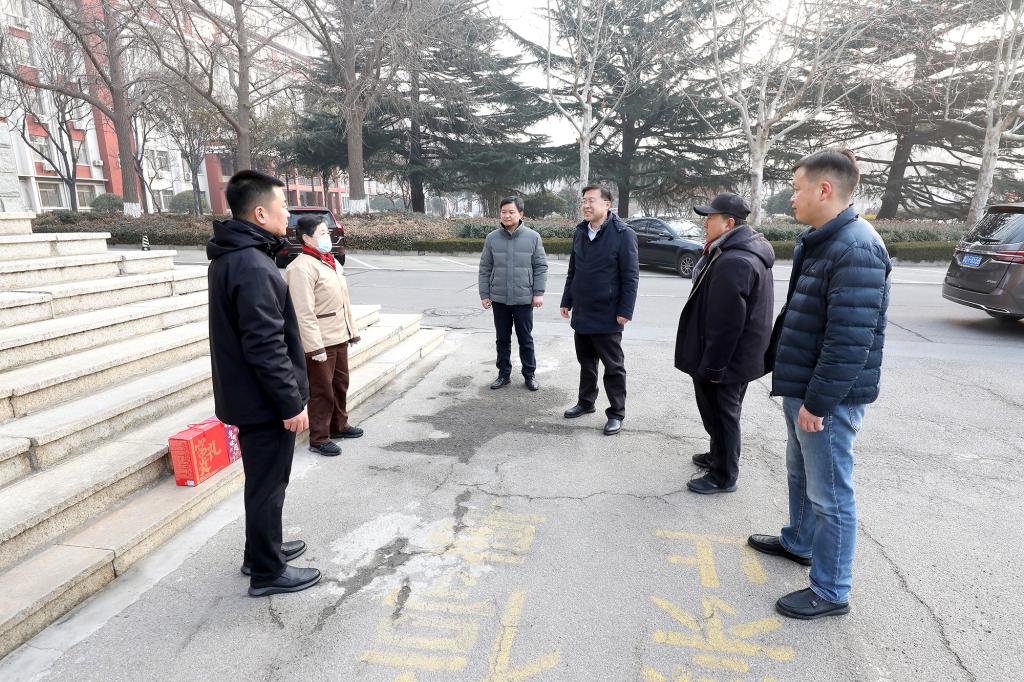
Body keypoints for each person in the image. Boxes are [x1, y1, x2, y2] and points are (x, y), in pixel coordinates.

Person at [748, 149, 891, 620]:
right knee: (801, 473)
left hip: (825, 397)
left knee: (830, 493)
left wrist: (819, 402)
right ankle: (799, 541)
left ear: (824, 189)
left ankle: (831, 590)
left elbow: (849, 341)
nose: (791, 197)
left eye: (796, 188)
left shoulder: (856, 248)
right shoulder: (824, 240)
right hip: (805, 388)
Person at [207, 170, 320, 597]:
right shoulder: (252, 265)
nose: (288, 215)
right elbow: (265, 346)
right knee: (269, 486)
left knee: (263, 483)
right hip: (264, 402)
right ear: (259, 213)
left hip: (250, 396)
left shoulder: (235, 255)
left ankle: (260, 553)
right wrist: (290, 403)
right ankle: (268, 572)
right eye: (283, 207)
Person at [675, 192, 774, 495]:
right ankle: (717, 454)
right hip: (736, 356)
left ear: (729, 223)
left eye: (710, 218)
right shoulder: (734, 251)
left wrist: (714, 368)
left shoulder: (734, 261)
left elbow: (727, 323)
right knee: (722, 413)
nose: (705, 223)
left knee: (722, 414)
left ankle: (724, 475)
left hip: (726, 360)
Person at [559, 184, 639, 435]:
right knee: (586, 362)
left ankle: (616, 413)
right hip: (583, 310)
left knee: (613, 366)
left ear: (607, 204)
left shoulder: (623, 234)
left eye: (591, 200)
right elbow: (574, 270)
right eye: (584, 200)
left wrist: (625, 310)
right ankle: (586, 402)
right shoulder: (580, 232)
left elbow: (630, 276)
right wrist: (566, 300)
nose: (586, 205)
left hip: (608, 313)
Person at [284, 216, 364, 457]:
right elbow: (303, 312)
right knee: (321, 391)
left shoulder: (331, 261)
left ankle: (339, 425)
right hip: (320, 341)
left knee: (340, 384)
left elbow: (344, 301)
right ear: (306, 238)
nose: (327, 237)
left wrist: (352, 331)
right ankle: (319, 438)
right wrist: (314, 348)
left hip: (339, 335)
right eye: (321, 233)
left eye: (327, 232)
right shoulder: (300, 268)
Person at [478, 196, 548, 391]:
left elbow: (541, 266)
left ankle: (529, 375)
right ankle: (503, 374)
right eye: (503, 212)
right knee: (502, 338)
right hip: (499, 298)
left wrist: (538, 292)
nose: (507, 215)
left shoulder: (533, 237)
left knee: (525, 338)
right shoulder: (492, 238)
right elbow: (485, 268)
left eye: (511, 212)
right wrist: (484, 294)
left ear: (521, 214)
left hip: (524, 298)